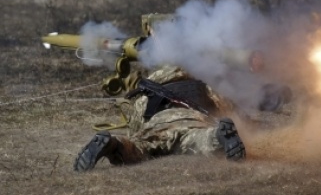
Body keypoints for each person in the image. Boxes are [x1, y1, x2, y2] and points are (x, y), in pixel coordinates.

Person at [74, 65, 246, 172]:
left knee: (136, 148)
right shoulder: (202, 86)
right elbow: (225, 107)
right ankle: (218, 137)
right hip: (192, 121)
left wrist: (136, 136)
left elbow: (137, 122)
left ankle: (112, 144)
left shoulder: (147, 91)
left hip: (157, 124)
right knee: (202, 141)